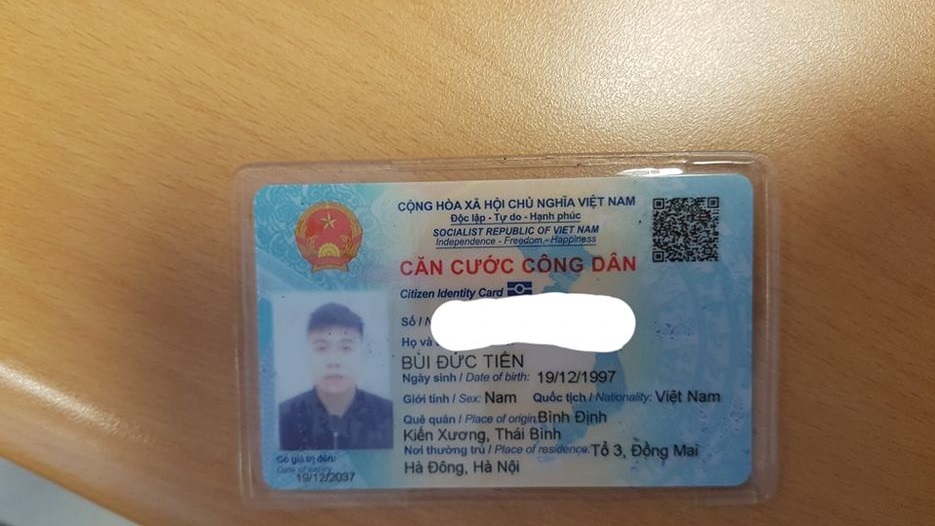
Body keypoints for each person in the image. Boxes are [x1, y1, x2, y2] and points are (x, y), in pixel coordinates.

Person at [279, 302, 393, 450]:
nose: (334, 361)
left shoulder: (388, 415)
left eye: (346, 348)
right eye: (321, 348)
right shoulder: (282, 417)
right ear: (307, 354)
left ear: (363, 353)